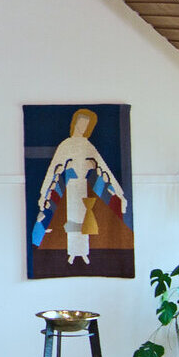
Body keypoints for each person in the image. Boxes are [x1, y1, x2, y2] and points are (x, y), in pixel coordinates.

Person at [34, 108, 128, 265]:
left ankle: (83, 252)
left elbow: (104, 167)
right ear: (75, 123)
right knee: (73, 219)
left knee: (85, 221)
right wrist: (44, 193)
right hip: (71, 187)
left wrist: (119, 192)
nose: (83, 127)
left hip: (84, 187)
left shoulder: (87, 145)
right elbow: (53, 169)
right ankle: (72, 253)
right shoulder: (65, 145)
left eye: (86, 125)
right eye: (81, 123)